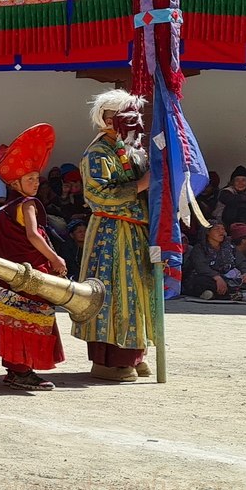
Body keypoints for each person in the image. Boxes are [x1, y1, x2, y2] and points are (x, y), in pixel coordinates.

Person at [73, 90, 154, 383]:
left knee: (137, 291)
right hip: (110, 233)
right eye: (126, 117)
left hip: (135, 232)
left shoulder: (130, 149)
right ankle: (110, 361)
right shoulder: (97, 153)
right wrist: (142, 185)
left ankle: (135, 353)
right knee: (114, 293)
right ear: (107, 119)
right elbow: (97, 196)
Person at [0, 124, 66, 390]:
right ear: (15, 183)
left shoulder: (9, 207)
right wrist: (55, 259)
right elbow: (33, 235)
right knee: (31, 318)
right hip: (28, 276)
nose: (36, 183)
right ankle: (22, 372)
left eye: (36, 178)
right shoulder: (26, 204)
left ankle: (16, 369)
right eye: (29, 179)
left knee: (14, 318)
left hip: (12, 276)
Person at [182, 220, 246, 301]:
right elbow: (201, 267)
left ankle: (217, 294)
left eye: (223, 229)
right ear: (208, 232)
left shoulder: (230, 247)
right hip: (209, 278)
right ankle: (234, 295)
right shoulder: (199, 248)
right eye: (217, 229)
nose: (221, 232)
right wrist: (217, 277)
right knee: (201, 282)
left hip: (229, 279)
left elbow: (242, 262)